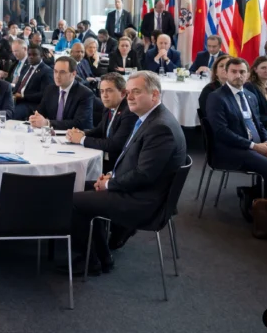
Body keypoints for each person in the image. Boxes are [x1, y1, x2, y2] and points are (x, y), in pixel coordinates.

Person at [66, 71, 186, 274]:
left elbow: (143, 175)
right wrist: (112, 176)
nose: (128, 97)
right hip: (141, 190)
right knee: (75, 186)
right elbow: (137, 163)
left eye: (136, 92)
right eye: (128, 92)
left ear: (154, 95)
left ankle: (90, 261)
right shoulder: (150, 118)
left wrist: (109, 184)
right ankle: (102, 256)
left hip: (144, 201)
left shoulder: (160, 127)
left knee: (72, 201)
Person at [206, 58, 267, 219]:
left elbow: (258, 123)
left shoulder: (250, 96)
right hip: (231, 150)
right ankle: (261, 209)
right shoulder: (217, 97)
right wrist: (254, 146)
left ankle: (254, 195)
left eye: (242, 72)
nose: (238, 75)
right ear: (226, 73)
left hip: (255, 146)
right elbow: (221, 132)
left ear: (248, 73)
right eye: (234, 71)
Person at [66, 73, 138, 173]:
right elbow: (100, 130)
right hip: (104, 158)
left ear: (122, 93)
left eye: (109, 91)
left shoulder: (129, 113)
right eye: (102, 91)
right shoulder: (109, 106)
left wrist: (82, 139)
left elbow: (115, 144)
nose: (104, 95)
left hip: (115, 166)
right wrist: (82, 133)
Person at [28, 56, 95, 130]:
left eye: (62, 72)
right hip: (53, 134)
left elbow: (78, 123)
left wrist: (48, 123)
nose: (57, 76)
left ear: (73, 74)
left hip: (76, 136)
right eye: (55, 71)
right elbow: (40, 112)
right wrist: (35, 118)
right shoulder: (50, 89)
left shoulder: (85, 94)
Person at [12, 46, 53, 121]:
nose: (31, 57)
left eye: (34, 55)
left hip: (30, 104)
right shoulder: (26, 67)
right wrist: (12, 94)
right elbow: (18, 84)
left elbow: (45, 94)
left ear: (41, 56)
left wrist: (23, 96)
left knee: (13, 113)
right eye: (29, 54)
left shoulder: (47, 71)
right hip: (16, 99)